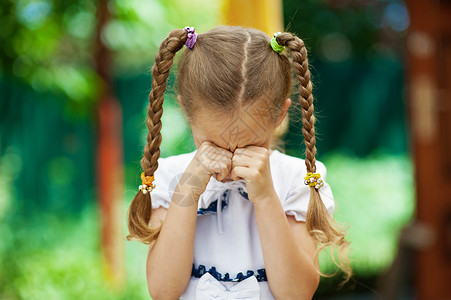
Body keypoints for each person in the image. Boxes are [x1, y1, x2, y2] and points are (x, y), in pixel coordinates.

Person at [127, 25, 351, 299]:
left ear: (280, 115)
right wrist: (187, 192)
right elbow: (163, 289)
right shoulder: (171, 176)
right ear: (186, 111)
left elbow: (297, 293)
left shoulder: (295, 181)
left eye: (250, 146)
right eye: (215, 145)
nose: (231, 160)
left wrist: (267, 198)